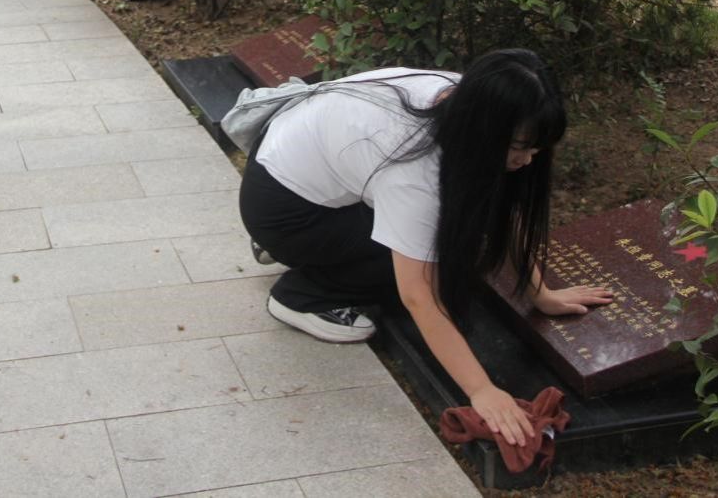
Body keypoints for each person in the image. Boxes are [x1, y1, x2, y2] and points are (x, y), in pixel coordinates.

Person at [240, 48, 614, 449]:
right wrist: (482, 390)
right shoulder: (413, 166)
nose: (527, 160)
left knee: (449, 236)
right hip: (284, 209)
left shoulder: (472, 100)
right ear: (487, 130)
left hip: (298, 165)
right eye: (519, 147)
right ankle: (302, 294)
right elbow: (419, 295)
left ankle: (313, 245)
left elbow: (504, 203)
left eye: (536, 149)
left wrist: (540, 293)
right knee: (442, 257)